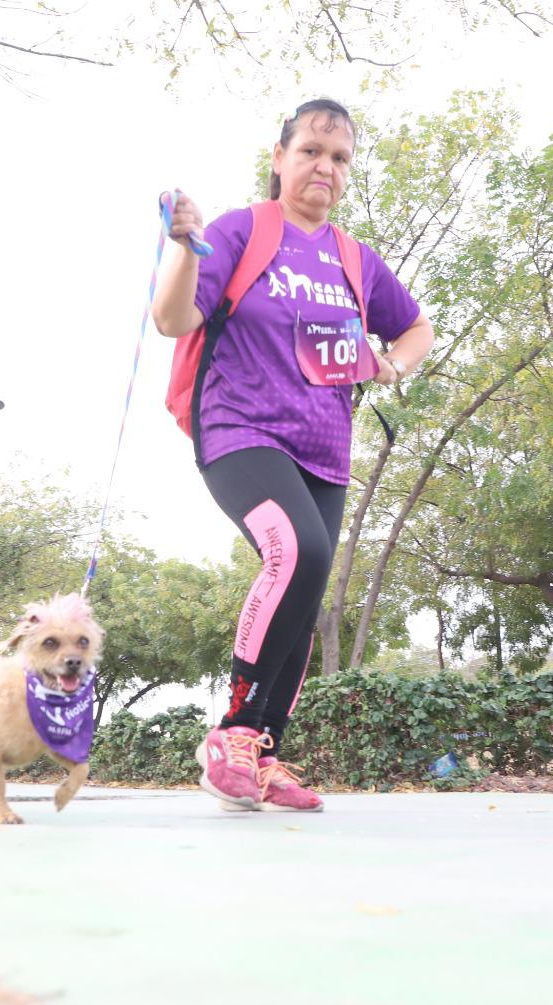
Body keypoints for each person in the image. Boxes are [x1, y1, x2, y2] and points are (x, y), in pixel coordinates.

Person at [152, 99, 434, 813]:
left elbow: (417, 327)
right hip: (239, 430)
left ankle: (263, 753)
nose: (324, 167)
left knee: (304, 595)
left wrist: (394, 366)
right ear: (279, 158)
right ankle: (232, 734)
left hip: (325, 452)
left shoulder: (354, 260)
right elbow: (171, 319)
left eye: (339, 158)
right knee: (297, 551)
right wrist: (185, 247)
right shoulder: (240, 231)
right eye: (310, 150)